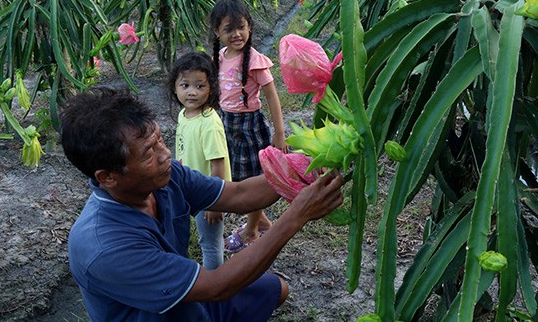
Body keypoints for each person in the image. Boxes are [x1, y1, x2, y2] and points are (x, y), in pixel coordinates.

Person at [61, 87, 343, 322]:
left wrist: (297, 170)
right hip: (190, 300)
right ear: (108, 177)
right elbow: (216, 286)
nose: (166, 154)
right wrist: (297, 216)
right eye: (149, 152)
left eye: (160, 140)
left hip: (190, 303)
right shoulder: (104, 247)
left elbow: (239, 194)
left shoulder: (165, 178)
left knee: (277, 289)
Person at [209, 0, 289, 253]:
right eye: (229, 29)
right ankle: (262, 221)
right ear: (216, 32)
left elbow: (272, 96)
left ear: (250, 27)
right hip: (227, 123)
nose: (237, 34)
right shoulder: (220, 57)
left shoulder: (254, 61)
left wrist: (279, 133)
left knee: (252, 180)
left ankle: (251, 231)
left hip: (249, 127)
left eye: (241, 27)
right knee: (238, 177)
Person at [169, 52, 230, 270]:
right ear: (174, 87)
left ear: (211, 88)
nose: (191, 92)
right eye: (185, 85)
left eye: (199, 86)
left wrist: (215, 202)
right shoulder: (184, 114)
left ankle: (215, 287)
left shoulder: (209, 123)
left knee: (211, 244)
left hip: (207, 194)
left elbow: (218, 164)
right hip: (189, 188)